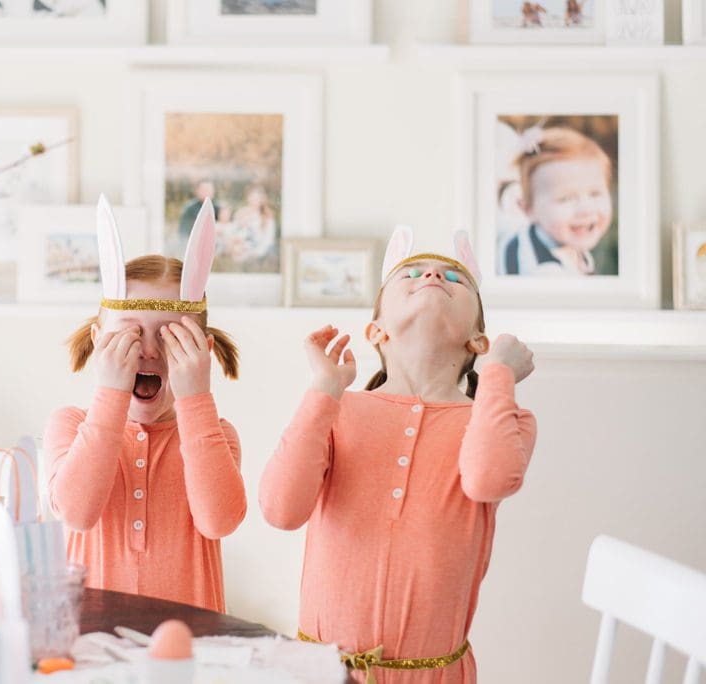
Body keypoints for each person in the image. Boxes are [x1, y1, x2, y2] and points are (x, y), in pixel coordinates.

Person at [260, 226, 537, 682]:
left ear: (478, 341)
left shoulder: (503, 418)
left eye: (455, 277)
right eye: (411, 272)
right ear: (377, 331)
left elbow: (488, 478)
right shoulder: (336, 408)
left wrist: (498, 377)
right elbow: (280, 509)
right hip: (319, 670)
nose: (432, 274)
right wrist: (325, 388)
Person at [43, 196, 245, 611]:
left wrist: (196, 398)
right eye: (130, 337)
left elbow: (219, 520)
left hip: (190, 656)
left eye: (172, 337)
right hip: (92, 653)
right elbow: (77, 513)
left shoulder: (216, 435)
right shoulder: (70, 425)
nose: (148, 352)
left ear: (201, 351)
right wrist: (109, 397)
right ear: (100, 343)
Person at [500, 125, 614, 276]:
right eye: (566, 199)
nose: (586, 209)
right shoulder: (547, 274)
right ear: (528, 209)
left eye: (595, 194)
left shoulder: (561, 238)